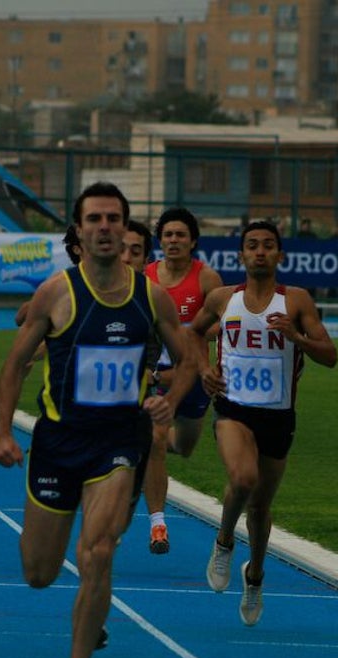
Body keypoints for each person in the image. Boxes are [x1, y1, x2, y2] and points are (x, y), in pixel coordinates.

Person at [0, 182, 191, 658]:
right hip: (59, 442)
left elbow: (189, 358)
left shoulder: (151, 297)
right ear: (78, 231)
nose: (106, 228)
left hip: (119, 443)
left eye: (114, 219)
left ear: (126, 229)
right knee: (39, 573)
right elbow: (14, 365)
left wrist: (167, 400)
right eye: (95, 219)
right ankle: (83, 607)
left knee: (98, 552)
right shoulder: (56, 293)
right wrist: (4, 433)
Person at [189, 219, 337, 625]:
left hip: (278, 415)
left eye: (267, 245)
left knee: (261, 506)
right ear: (241, 254)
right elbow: (193, 334)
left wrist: (297, 337)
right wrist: (204, 370)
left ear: (279, 255)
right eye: (252, 245)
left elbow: (330, 355)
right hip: (233, 408)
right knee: (242, 479)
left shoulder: (297, 301)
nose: (259, 251)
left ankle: (254, 575)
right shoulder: (222, 298)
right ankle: (223, 541)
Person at [141, 207, 223, 554]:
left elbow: (224, 324)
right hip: (155, 377)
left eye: (180, 235)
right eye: (168, 235)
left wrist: (191, 334)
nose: (173, 241)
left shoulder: (206, 279)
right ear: (160, 240)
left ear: (193, 242)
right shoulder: (145, 277)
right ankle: (158, 524)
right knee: (155, 440)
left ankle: (145, 453)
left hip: (192, 377)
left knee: (183, 446)